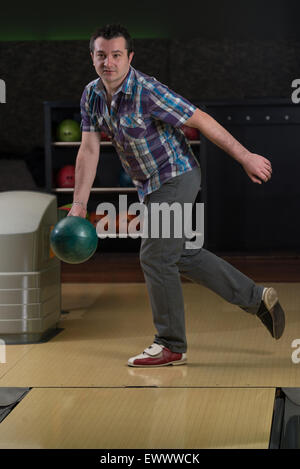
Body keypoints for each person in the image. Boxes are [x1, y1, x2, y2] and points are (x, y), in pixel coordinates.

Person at [68, 23, 285, 367]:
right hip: (149, 185)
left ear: (129, 57)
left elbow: (201, 119)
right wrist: (79, 205)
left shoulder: (147, 91)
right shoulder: (92, 95)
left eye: (116, 55)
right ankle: (257, 299)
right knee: (178, 253)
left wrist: (245, 157)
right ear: (92, 57)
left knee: (154, 256)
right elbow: (89, 149)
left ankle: (170, 343)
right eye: (101, 55)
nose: (108, 62)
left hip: (176, 176)